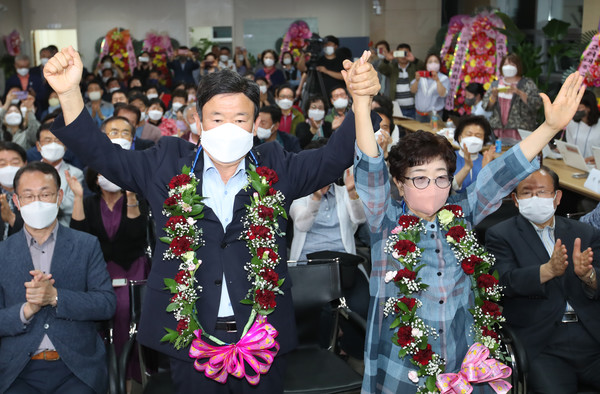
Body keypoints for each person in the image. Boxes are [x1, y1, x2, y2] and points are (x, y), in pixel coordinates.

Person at [44, 45, 379, 394]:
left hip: (262, 335)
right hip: (190, 338)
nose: (228, 128)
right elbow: (102, 154)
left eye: (240, 119)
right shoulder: (166, 163)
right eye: (217, 118)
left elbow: (334, 157)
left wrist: (361, 100)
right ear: (200, 121)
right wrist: (68, 93)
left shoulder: (275, 166)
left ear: (255, 124)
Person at [351, 43, 586, 393]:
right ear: (399, 183)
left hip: (464, 362)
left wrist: (549, 128)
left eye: (441, 176)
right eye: (420, 177)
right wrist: (360, 103)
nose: (433, 186)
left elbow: (499, 174)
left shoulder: (461, 214)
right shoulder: (386, 222)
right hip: (406, 366)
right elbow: (370, 171)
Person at [0, 161, 116, 394]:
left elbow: (106, 304)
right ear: (16, 201)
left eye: (45, 194)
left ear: (59, 196)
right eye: (29, 196)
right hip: (18, 371)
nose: (38, 203)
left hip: (76, 369)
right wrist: (27, 310)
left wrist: (56, 297)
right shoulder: (3, 253)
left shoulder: (86, 245)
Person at [486, 167, 600, 394]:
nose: (534, 198)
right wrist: (547, 270)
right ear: (516, 200)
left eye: (542, 191)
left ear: (557, 197)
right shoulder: (500, 235)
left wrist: (589, 277)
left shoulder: (584, 232)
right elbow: (503, 283)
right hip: (543, 343)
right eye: (527, 193)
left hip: (591, 337)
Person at [67, 162, 150, 389]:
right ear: (96, 178)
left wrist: (131, 195)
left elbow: (136, 236)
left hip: (131, 268)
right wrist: (76, 197)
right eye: (105, 172)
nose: (110, 177)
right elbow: (78, 235)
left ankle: (130, 376)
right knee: (97, 313)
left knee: (124, 310)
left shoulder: (135, 200)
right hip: (100, 270)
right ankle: (102, 374)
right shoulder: (89, 203)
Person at [289, 140, 365, 260]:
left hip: (342, 261)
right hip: (307, 262)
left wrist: (352, 192)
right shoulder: (299, 195)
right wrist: (315, 198)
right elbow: (302, 225)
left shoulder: (344, 192)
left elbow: (360, 219)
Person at [481, 53, 542, 141]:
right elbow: (486, 106)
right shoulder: (496, 84)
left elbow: (536, 104)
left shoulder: (527, 84)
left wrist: (519, 92)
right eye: (505, 64)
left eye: (512, 64)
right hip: (499, 129)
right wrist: (494, 96)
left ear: (518, 67)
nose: (508, 67)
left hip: (521, 130)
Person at [36, 124, 84, 226]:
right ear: (38, 146)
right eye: (48, 140)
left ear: (65, 146)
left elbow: (72, 205)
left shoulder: (76, 173)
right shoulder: (28, 173)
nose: (53, 145)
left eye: (58, 140)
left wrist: (39, 198)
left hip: (64, 228)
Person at [377, 43, 424, 119]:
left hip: (413, 108)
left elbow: (423, 67)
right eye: (400, 53)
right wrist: (387, 60)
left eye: (405, 53)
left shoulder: (414, 67)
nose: (402, 56)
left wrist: (414, 60)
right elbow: (381, 69)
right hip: (397, 108)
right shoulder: (392, 68)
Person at [452, 115, 495, 193]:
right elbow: (451, 187)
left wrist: (485, 169)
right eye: (469, 134)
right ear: (459, 138)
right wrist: (467, 167)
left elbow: (490, 190)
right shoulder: (450, 158)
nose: (473, 139)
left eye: (478, 136)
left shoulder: (486, 160)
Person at [4, 54, 47, 119]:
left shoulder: (36, 78)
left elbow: (43, 95)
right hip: (16, 111)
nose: (23, 69)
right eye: (21, 67)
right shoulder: (11, 80)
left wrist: (35, 95)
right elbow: (7, 96)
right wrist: (27, 94)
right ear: (15, 65)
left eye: (26, 66)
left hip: (36, 111)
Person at [410, 54, 449, 123]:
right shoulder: (421, 76)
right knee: (419, 133)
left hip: (435, 115)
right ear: (426, 64)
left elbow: (443, 94)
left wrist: (437, 80)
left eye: (436, 62)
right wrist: (416, 80)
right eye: (430, 62)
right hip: (419, 114)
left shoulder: (444, 78)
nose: (433, 64)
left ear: (439, 64)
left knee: (434, 133)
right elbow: (412, 90)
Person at [0, 141, 26, 240]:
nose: (9, 167)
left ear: (25, 164)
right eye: (2, 164)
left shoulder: (37, 193)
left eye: (15, 163)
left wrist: (11, 218)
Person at [565, 90, 600, 161]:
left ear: (589, 108)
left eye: (579, 108)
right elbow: (570, 144)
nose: (575, 111)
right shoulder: (571, 123)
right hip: (574, 163)